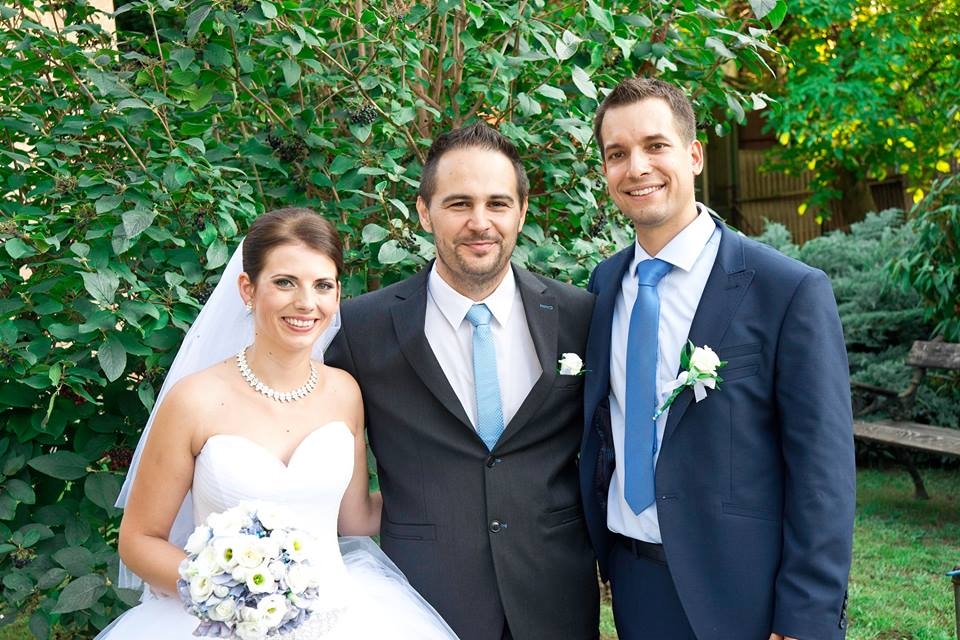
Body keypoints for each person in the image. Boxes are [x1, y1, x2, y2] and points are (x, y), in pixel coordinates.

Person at [96, 208, 457, 639]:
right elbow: (139, 539)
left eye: (322, 285)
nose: (306, 303)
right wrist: (226, 588)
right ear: (247, 289)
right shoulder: (194, 400)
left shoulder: (345, 392)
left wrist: (453, 483)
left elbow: (355, 519)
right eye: (285, 282)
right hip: (225, 622)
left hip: (343, 618)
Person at [579, 77, 856, 640]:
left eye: (655, 145)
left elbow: (822, 470)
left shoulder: (786, 290)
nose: (637, 167)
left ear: (694, 155)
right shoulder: (604, 286)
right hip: (635, 581)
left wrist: (805, 616)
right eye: (617, 153)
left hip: (747, 594)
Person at [325, 123, 600, 640]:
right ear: (424, 211)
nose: (480, 222)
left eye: (498, 203)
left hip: (554, 598)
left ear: (522, 211)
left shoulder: (578, 315)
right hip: (421, 603)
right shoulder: (363, 328)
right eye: (458, 204)